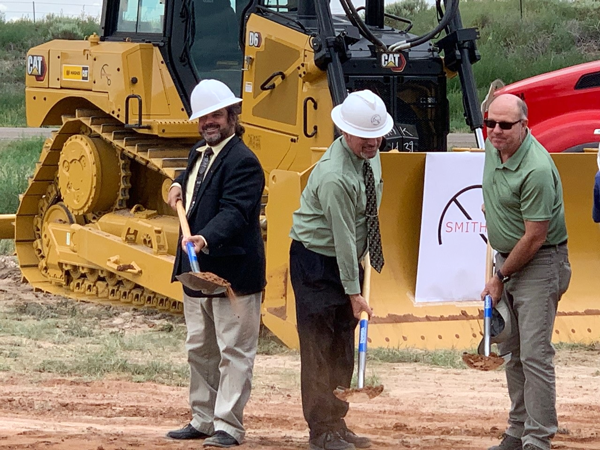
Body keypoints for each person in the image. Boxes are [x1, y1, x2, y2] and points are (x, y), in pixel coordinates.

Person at [289, 89, 392, 450]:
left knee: (341, 347)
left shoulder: (371, 156)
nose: (374, 142)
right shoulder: (334, 176)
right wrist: (353, 292)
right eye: (366, 136)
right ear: (346, 132)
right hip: (317, 261)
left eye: (377, 135)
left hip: (347, 260)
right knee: (319, 346)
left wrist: (363, 270)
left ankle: (337, 420)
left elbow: (367, 215)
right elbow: (343, 236)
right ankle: (321, 431)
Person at [166, 79, 266, 448]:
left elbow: (236, 212)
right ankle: (202, 418)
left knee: (234, 351)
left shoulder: (244, 162)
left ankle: (228, 425)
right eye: (204, 117)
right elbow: (193, 181)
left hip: (231, 273)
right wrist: (178, 183)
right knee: (200, 348)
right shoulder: (199, 153)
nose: (209, 122)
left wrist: (205, 237)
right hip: (195, 273)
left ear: (232, 117)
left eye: (217, 115)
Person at [481, 94, 572, 450]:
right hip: (506, 258)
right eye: (492, 123)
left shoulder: (536, 168)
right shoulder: (492, 148)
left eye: (506, 125)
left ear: (524, 126)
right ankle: (517, 431)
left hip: (539, 263)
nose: (497, 131)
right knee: (512, 352)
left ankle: (538, 439)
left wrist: (499, 277)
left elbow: (535, 236)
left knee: (534, 354)